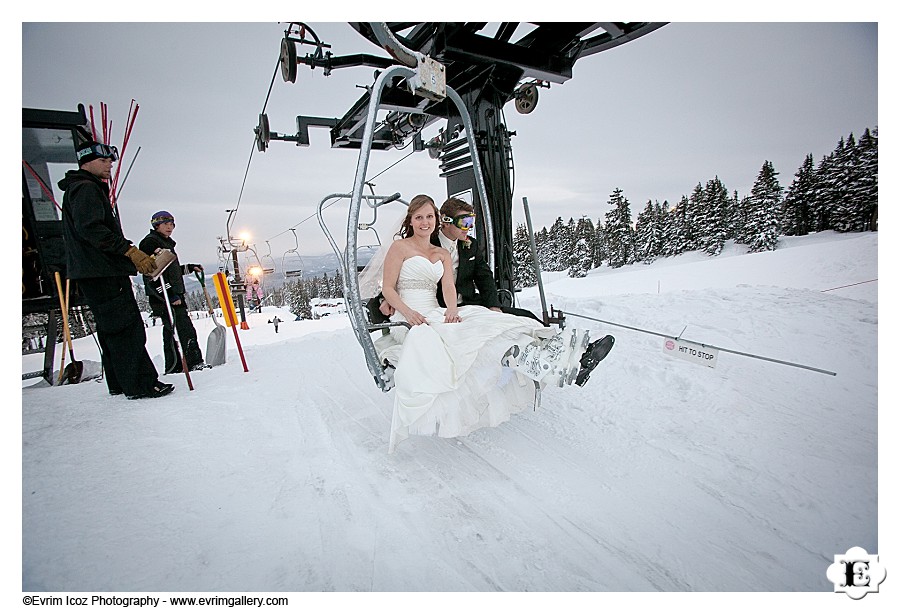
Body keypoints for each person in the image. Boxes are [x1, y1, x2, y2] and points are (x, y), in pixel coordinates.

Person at [378, 195, 613, 452]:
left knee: (507, 320)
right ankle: (528, 358)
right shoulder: (407, 245)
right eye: (420, 217)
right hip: (414, 311)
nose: (425, 222)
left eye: (428, 217)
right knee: (471, 335)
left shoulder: (447, 251)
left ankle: (569, 358)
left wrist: (474, 308)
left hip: (451, 307)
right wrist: (393, 306)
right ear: (415, 220)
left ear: (436, 219)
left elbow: (474, 279)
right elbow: (390, 285)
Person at [59, 139, 173, 399]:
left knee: (112, 328)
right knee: (127, 327)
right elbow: (92, 229)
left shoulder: (79, 189)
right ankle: (141, 384)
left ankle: (119, 382)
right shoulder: (86, 189)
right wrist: (128, 251)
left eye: (110, 161)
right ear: (86, 161)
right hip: (102, 271)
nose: (109, 165)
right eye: (103, 160)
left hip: (94, 272)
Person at [371, 197, 542, 324]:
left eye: (471, 221)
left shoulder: (470, 245)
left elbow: (484, 277)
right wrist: (385, 299)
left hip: (466, 304)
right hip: (436, 306)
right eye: (465, 222)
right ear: (445, 221)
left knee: (525, 317)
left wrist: (493, 306)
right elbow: (402, 276)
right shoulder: (425, 242)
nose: (470, 227)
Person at [139, 211, 208, 374]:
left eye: (172, 224)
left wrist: (189, 268)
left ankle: (174, 366)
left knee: (171, 331)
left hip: (171, 294)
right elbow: (152, 275)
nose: (170, 227)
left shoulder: (166, 243)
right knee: (184, 329)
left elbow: (170, 270)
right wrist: (169, 295)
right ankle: (193, 362)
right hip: (164, 296)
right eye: (166, 224)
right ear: (156, 225)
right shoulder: (150, 244)